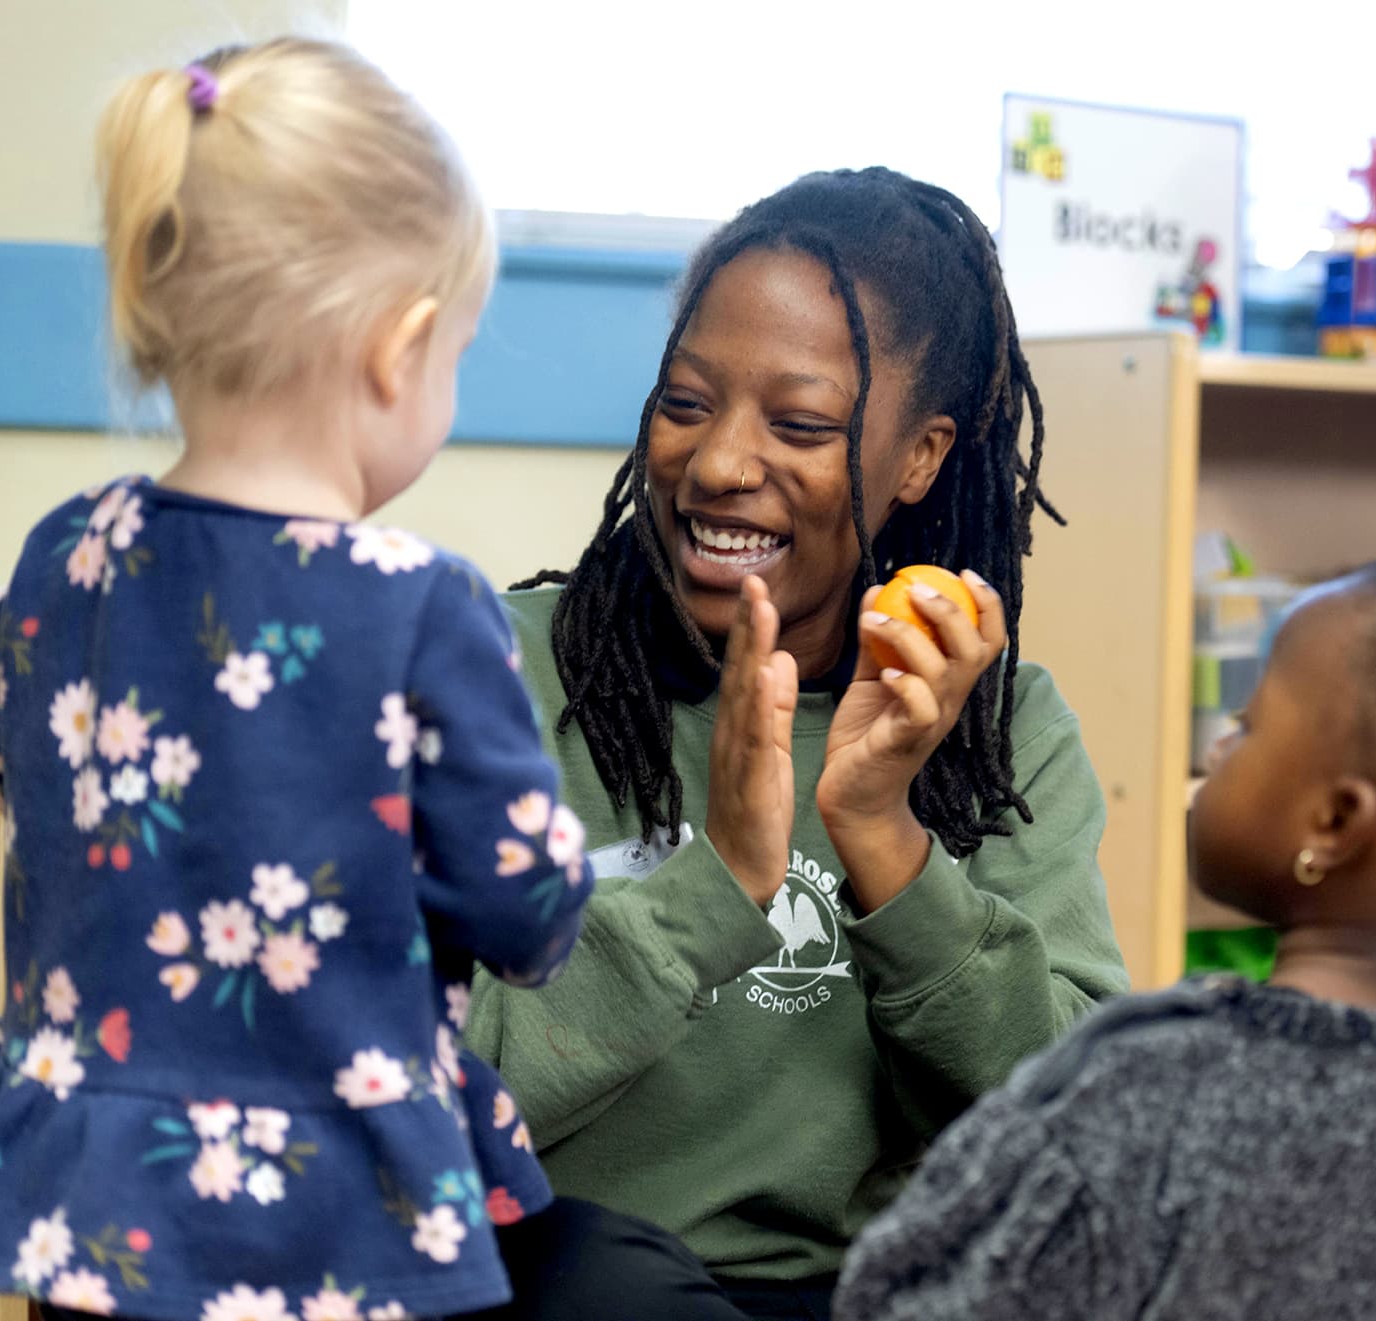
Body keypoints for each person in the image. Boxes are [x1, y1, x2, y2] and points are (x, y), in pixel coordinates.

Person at [0, 40, 598, 1320]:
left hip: (92, 1191)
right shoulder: (420, 603)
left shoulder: (65, 553)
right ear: (400, 348)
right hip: (330, 1207)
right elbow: (525, 907)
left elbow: (15, 754)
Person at [466, 167, 1132, 1319]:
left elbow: (1072, 1132)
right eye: (684, 403)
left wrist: (883, 835)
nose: (720, 463)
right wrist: (712, 883)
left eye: (802, 425)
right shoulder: (492, 671)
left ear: (918, 459)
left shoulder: (997, 729)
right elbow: (421, 1086)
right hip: (568, 1282)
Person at [834, 540, 1376, 1320]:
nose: (1224, 739)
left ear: (1333, 821)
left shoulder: (1133, 1090)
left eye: (1253, 723)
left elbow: (901, 1299)